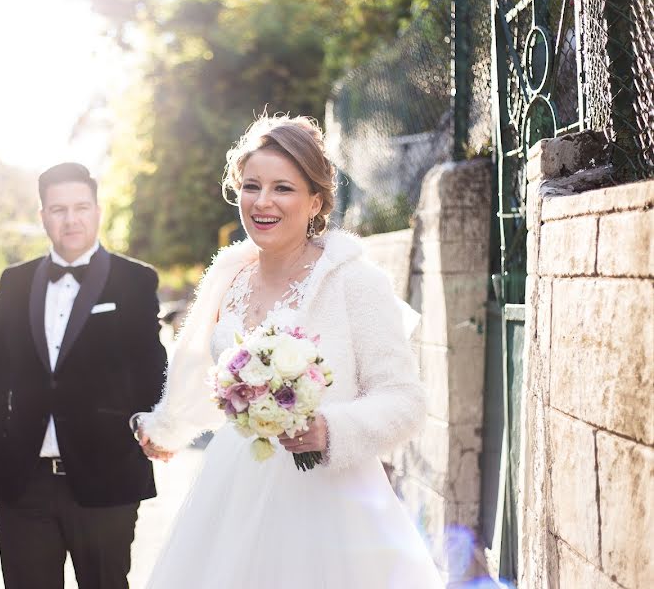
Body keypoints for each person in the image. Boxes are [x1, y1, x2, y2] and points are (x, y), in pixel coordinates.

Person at [136, 116, 444, 587]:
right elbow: (202, 375)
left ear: (315, 200)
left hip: (332, 503)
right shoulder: (229, 280)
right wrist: (169, 429)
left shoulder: (354, 282)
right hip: (234, 490)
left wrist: (330, 429)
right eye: (251, 186)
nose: (263, 202)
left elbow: (406, 401)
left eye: (283, 188)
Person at [0, 162, 167, 589]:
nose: (71, 218)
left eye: (81, 207)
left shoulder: (135, 280)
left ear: (98, 211)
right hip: (23, 483)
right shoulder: (15, 281)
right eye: (58, 209)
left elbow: (151, 369)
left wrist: (153, 427)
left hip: (106, 480)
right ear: (42, 216)